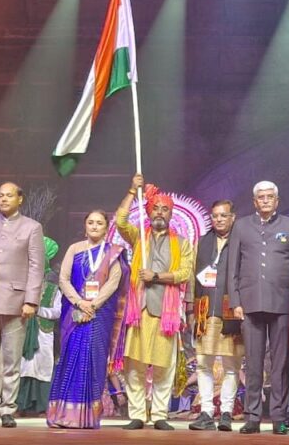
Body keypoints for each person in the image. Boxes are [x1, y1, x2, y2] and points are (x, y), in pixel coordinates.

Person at [115, 175, 194, 431]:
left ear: (171, 214)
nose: (160, 212)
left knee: (163, 366)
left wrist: (156, 276)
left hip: (165, 314)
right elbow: (120, 221)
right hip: (138, 312)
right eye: (156, 207)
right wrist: (132, 191)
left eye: (165, 209)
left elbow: (185, 273)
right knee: (134, 366)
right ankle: (138, 414)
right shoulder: (138, 237)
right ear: (148, 211)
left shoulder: (182, 244)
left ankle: (159, 414)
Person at [226, 181, 289, 435]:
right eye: (261, 197)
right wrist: (235, 302)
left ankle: (279, 417)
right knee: (253, 363)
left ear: (277, 201)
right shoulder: (241, 226)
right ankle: (252, 417)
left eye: (270, 197)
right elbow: (232, 267)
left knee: (280, 365)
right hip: (249, 303)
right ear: (254, 201)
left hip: (283, 303)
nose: (266, 200)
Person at [0, 182, 45, 428]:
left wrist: (31, 300)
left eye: (9, 195)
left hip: (16, 301)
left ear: (19, 199)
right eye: (0, 195)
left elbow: (36, 266)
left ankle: (7, 409)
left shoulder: (32, 227)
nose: (3, 199)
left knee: (11, 360)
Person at [46, 210, 130, 428]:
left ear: (106, 228)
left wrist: (92, 305)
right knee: (70, 358)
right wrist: (79, 302)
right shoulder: (74, 249)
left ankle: (88, 417)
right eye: (90, 222)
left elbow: (113, 283)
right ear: (85, 227)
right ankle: (64, 414)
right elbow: (63, 279)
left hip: (100, 314)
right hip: (74, 312)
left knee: (94, 360)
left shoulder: (113, 252)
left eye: (99, 223)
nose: (94, 226)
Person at [188, 200, 243, 432]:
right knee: (203, 363)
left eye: (223, 215)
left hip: (232, 309)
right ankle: (206, 412)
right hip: (205, 309)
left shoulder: (242, 241)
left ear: (232, 217)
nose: (219, 219)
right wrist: (190, 309)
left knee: (231, 365)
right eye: (215, 216)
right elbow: (192, 276)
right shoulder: (203, 242)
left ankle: (227, 413)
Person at [17, 238, 61, 417]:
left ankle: (42, 407)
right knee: (23, 366)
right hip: (23, 330)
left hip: (44, 333)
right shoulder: (21, 285)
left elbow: (57, 311)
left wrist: (38, 311)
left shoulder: (53, 288)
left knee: (43, 367)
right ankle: (21, 406)